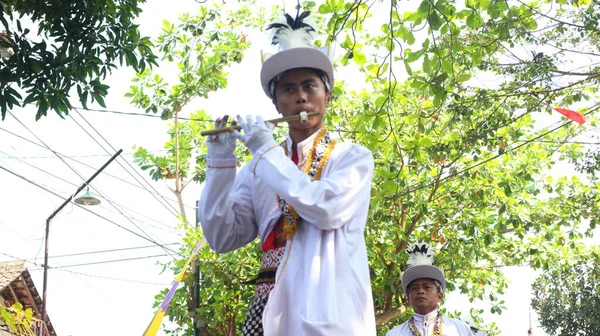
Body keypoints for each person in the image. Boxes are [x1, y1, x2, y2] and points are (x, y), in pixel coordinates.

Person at [198, 10, 376, 336]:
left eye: (310, 86)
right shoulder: (258, 167)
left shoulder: (352, 158)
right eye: (288, 90)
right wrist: (221, 163)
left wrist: (265, 151)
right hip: (269, 303)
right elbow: (222, 237)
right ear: (277, 105)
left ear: (327, 96)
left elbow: (326, 209)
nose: (301, 97)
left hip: (326, 309)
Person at [386, 242, 474, 336]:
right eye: (415, 288)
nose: (420, 291)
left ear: (439, 296)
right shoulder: (395, 333)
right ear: (409, 298)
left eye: (427, 287)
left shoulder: (460, 329)